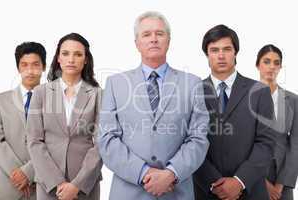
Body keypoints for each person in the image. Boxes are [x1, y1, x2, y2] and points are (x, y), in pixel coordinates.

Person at [98, 11, 209, 200]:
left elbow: (198, 137)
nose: (154, 39)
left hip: (176, 192)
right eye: (146, 34)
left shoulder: (192, 83)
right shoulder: (115, 83)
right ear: (137, 43)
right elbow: (107, 138)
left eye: (160, 33)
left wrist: (171, 173)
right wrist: (143, 173)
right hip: (128, 192)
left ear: (169, 40)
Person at [193, 24, 276, 200]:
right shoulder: (193, 92)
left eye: (227, 49)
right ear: (207, 55)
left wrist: (239, 181)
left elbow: (266, 143)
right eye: (214, 50)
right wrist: (214, 183)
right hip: (206, 192)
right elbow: (188, 142)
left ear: (235, 53)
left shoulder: (259, 91)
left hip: (251, 191)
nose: (221, 55)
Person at [27, 33, 102, 200]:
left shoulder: (98, 95)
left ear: (86, 59)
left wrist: (77, 185)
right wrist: (57, 183)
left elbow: (101, 143)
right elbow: (34, 141)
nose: (71, 59)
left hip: (85, 186)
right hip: (49, 185)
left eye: (78, 54)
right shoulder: (41, 93)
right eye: (65, 53)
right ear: (58, 58)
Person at [0, 41, 46, 200]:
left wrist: (29, 173)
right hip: (7, 184)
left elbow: (57, 141)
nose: (30, 71)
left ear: (43, 67)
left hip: (42, 184)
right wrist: (18, 174)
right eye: (24, 65)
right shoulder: (0, 101)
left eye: (35, 65)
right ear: (18, 68)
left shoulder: (56, 102)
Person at [256, 44, 298, 200]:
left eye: (276, 62)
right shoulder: (245, 98)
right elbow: (241, 143)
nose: (271, 67)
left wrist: (281, 183)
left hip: (283, 174)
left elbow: (296, 144)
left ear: (280, 67)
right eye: (266, 61)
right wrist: (263, 182)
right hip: (253, 174)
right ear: (257, 65)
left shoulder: (293, 100)